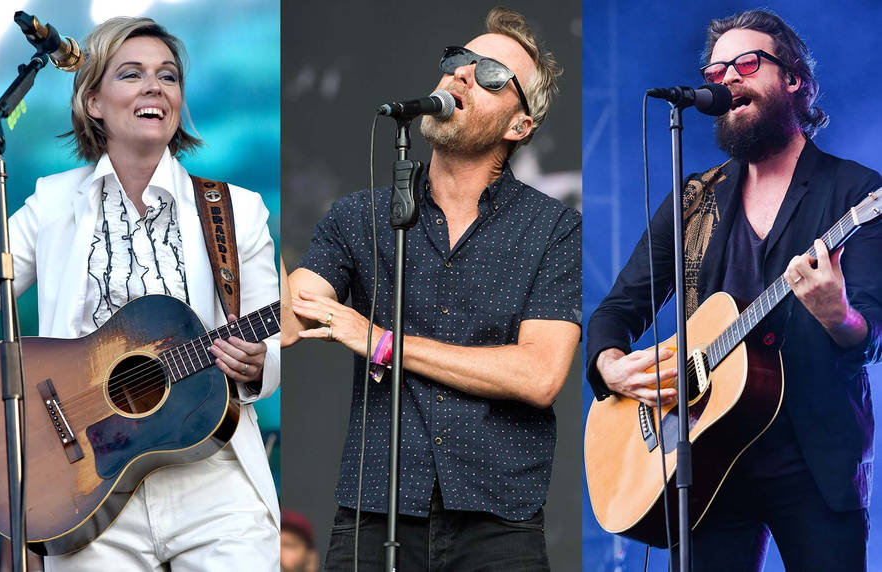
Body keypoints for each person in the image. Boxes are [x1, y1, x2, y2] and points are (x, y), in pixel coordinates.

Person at [283, 7, 581, 570]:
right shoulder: (358, 216)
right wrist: (255, 229)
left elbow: (539, 376)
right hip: (377, 509)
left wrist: (383, 343)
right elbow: (289, 321)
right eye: (459, 59)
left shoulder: (554, 228)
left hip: (499, 522)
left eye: (490, 74)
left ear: (519, 126)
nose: (463, 73)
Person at [586, 9, 882, 570]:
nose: (726, 79)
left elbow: (870, 332)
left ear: (793, 79)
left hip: (815, 461)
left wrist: (836, 313)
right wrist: (610, 366)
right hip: (704, 460)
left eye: (746, 64)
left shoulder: (857, 193)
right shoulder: (694, 199)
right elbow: (618, 308)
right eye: (716, 71)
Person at [0, 17, 280, 569]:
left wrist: (261, 361)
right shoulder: (53, 203)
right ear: (93, 102)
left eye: (168, 76)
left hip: (214, 486)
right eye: (132, 74)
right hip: (83, 486)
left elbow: (274, 331)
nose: (154, 87)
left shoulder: (237, 210)